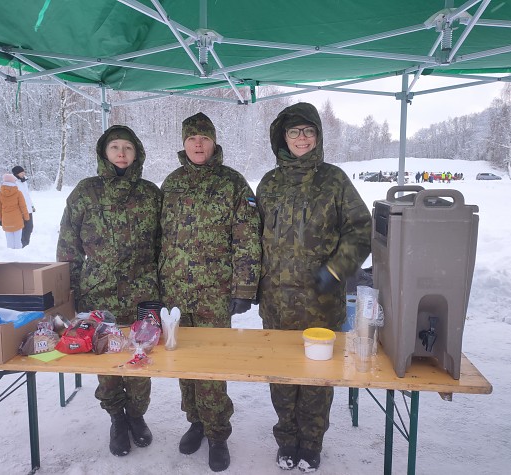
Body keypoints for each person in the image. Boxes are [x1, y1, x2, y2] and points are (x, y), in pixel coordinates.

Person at [256, 102, 372, 472]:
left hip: (321, 302)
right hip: (275, 303)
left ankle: (312, 442)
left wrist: (337, 270)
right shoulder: (269, 184)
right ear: (282, 138)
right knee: (281, 376)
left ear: (318, 137)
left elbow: (362, 229)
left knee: (318, 379)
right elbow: (251, 238)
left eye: (308, 131)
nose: (302, 138)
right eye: (294, 132)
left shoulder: (334, 180)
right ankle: (287, 440)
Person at [159, 112, 261, 472]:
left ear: (214, 142)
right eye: (192, 138)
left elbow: (247, 238)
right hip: (174, 293)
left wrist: (244, 287)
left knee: (212, 365)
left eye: (204, 138)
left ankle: (218, 433)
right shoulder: (171, 184)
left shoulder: (233, 183)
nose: (198, 144)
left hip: (214, 293)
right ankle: (195, 421)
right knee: (183, 362)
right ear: (184, 144)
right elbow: (160, 239)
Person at [56, 125, 162, 458]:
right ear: (104, 151)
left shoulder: (150, 193)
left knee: (141, 356)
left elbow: (164, 244)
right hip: (97, 293)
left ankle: (137, 414)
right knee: (105, 357)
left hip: (142, 293)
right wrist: (68, 290)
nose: (121, 153)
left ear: (137, 153)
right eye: (114, 147)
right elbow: (68, 243)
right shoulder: (86, 192)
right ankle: (117, 417)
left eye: (127, 148)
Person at [0, 174, 29, 249]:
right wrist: (26, 218)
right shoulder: (18, 193)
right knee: (18, 241)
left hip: (6, 221)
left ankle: (10, 257)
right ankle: (18, 257)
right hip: (17, 220)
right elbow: (23, 206)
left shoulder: (0, 194)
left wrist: (0, 220)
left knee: (9, 242)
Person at [11, 165, 35, 247]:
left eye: (23, 172)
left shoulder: (24, 182)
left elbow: (27, 195)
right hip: (20, 210)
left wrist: (31, 205)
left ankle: (26, 244)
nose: (23, 173)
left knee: (30, 227)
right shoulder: (14, 183)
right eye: (21, 172)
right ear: (16, 174)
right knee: (21, 228)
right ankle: (21, 245)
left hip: (28, 209)